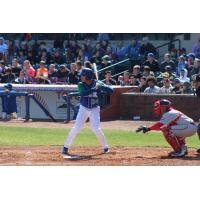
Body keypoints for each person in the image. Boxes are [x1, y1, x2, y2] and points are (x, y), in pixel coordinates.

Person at [62, 68, 113, 155]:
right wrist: (94, 89)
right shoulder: (80, 84)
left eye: (83, 75)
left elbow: (111, 90)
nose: (81, 77)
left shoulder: (98, 83)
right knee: (77, 127)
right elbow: (83, 93)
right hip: (84, 108)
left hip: (94, 109)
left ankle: (105, 147)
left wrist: (102, 86)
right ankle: (65, 147)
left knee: (96, 129)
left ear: (88, 76)